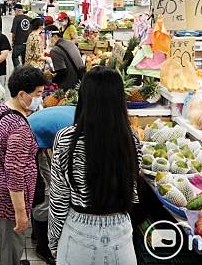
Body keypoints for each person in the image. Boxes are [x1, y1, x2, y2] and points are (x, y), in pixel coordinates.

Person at [48, 67, 141, 265]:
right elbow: (132, 189)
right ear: (119, 100)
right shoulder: (130, 139)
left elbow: (59, 200)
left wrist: (55, 243)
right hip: (121, 235)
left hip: (78, 234)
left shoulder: (66, 139)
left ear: (84, 99)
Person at [0, 66, 47, 265]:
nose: (40, 100)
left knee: (8, 237)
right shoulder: (18, 128)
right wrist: (21, 214)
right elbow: (14, 173)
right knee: (13, 240)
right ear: (22, 94)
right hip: (9, 194)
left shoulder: (2, 108)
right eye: (37, 95)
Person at [28, 106, 76, 265]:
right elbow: (63, 161)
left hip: (36, 140)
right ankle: (43, 247)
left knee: (46, 186)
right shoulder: (79, 127)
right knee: (47, 194)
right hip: (28, 142)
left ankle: (37, 233)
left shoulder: (81, 115)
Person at [46, 25, 85, 90]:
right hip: (80, 82)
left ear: (55, 36)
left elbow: (62, 72)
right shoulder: (71, 43)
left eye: (48, 38)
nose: (47, 41)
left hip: (69, 86)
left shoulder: (55, 50)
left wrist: (51, 79)